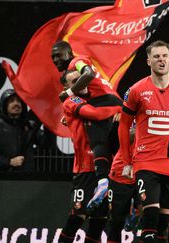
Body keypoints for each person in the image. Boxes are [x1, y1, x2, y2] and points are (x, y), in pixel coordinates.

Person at [118, 40, 169, 243]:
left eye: (164, 56)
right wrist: (127, 162)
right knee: (150, 218)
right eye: (156, 56)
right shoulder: (137, 90)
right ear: (148, 61)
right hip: (145, 163)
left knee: (163, 227)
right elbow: (123, 127)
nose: (161, 60)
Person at [51, 41, 123, 210]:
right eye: (52, 57)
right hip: (110, 102)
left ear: (69, 53)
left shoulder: (76, 62)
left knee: (97, 139)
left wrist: (69, 92)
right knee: (115, 147)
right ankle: (131, 200)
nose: (55, 59)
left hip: (105, 101)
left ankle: (104, 181)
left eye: (58, 55)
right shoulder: (76, 100)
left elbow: (88, 74)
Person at [59, 70, 121, 243]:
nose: (79, 83)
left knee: (98, 223)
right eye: (73, 82)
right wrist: (121, 108)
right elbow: (95, 115)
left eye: (79, 79)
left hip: (105, 169)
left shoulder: (98, 98)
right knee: (76, 218)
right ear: (67, 88)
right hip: (85, 169)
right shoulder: (71, 101)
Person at [0, 89, 36, 171]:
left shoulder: (29, 126)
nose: (16, 103)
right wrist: (9, 162)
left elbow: (47, 144)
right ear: (4, 105)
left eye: (19, 101)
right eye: (11, 101)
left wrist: (49, 123)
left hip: (27, 180)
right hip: (1, 179)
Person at [106, 126, 141, 243]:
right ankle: (133, 212)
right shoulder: (127, 113)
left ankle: (135, 213)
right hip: (121, 174)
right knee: (116, 223)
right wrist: (143, 128)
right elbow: (124, 136)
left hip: (144, 173)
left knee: (150, 217)